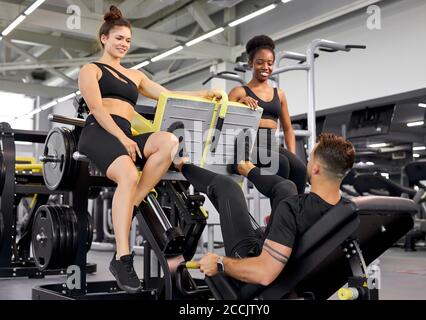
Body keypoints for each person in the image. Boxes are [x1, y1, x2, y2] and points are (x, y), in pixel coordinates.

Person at [77, 5, 222, 294]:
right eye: (119, 38)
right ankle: (123, 258)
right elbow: (95, 108)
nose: (124, 45)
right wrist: (123, 138)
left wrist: (203, 94)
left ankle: (130, 203)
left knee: (168, 141)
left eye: (128, 41)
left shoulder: (135, 75)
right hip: (99, 132)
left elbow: (168, 94)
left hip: (125, 134)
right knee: (128, 176)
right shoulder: (91, 69)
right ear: (104, 38)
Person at [175, 133, 354, 288]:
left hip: (252, 263)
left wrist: (219, 262)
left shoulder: (292, 209)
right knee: (286, 186)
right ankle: (243, 166)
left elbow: (264, 273)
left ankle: (181, 164)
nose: (307, 160)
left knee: (228, 187)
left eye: (310, 157)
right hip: (289, 261)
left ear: (315, 168)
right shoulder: (345, 210)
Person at [228, 35, 306, 194]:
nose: (266, 67)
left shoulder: (280, 94)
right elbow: (225, 124)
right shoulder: (239, 92)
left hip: (271, 144)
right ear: (250, 63)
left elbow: (288, 130)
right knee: (282, 164)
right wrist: (239, 103)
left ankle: (296, 214)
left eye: (270, 63)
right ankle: (280, 214)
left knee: (300, 169)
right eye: (260, 62)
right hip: (250, 144)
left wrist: (293, 156)